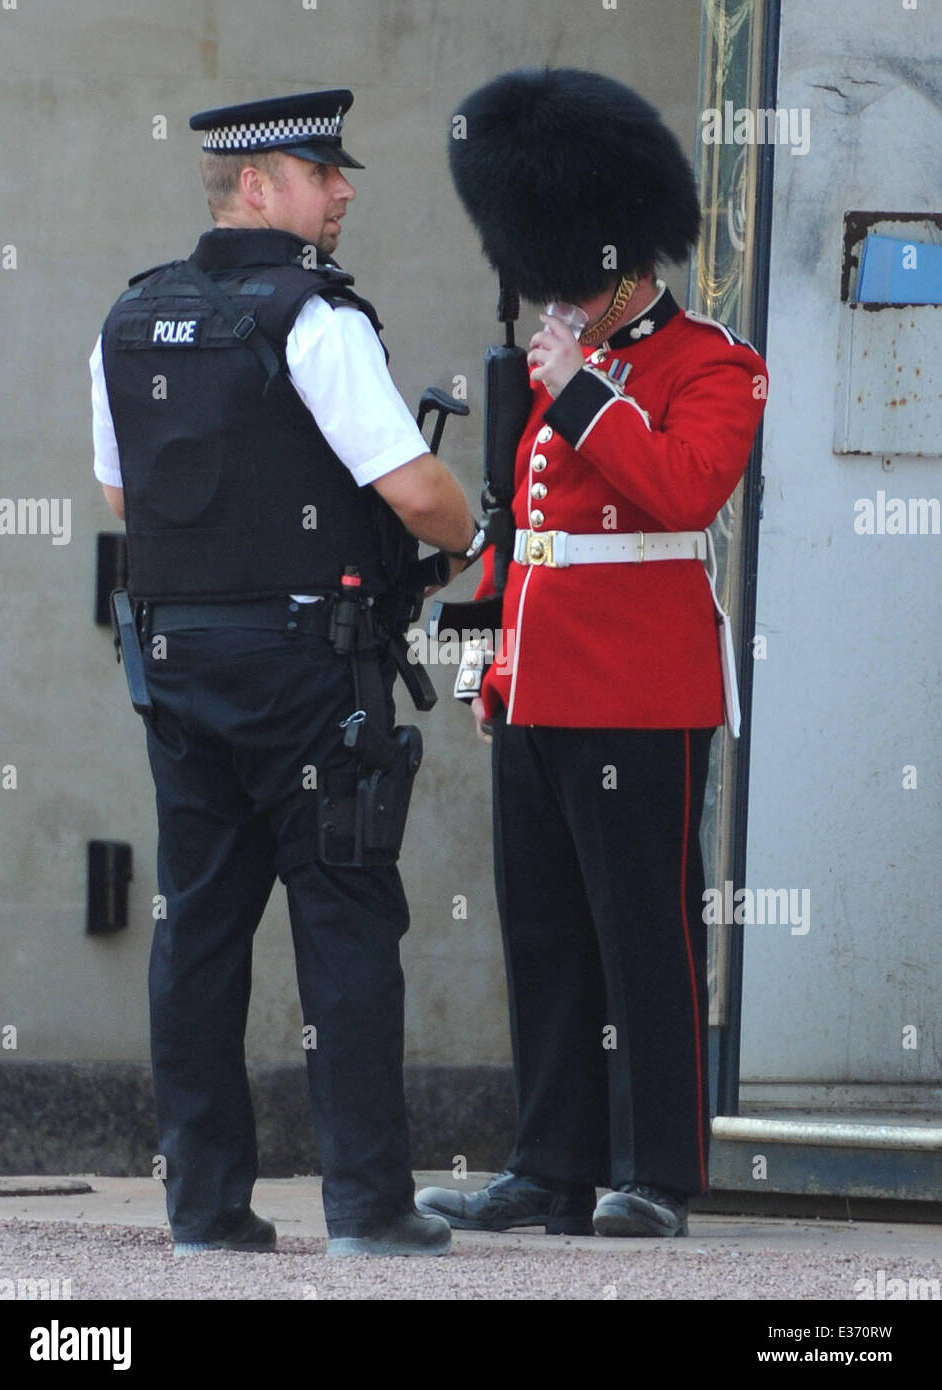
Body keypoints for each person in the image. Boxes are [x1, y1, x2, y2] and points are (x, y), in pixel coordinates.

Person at [90, 89, 480, 1257]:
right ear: (258, 188)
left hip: (178, 667)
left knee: (197, 931)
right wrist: (470, 529)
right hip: (307, 670)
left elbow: (126, 499)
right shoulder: (314, 318)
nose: (345, 188)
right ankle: (368, 1206)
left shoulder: (127, 318)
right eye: (323, 172)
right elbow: (413, 491)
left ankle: (203, 1210)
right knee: (347, 917)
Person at [416, 68, 769, 1238]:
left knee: (642, 934)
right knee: (546, 934)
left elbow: (682, 488)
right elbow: (516, 528)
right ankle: (550, 1166)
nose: (564, 298)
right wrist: (488, 668)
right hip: (538, 680)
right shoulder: (553, 355)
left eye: (580, 280)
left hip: (639, 688)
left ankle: (655, 1171)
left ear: (627, 267)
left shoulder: (711, 364)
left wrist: (577, 395)